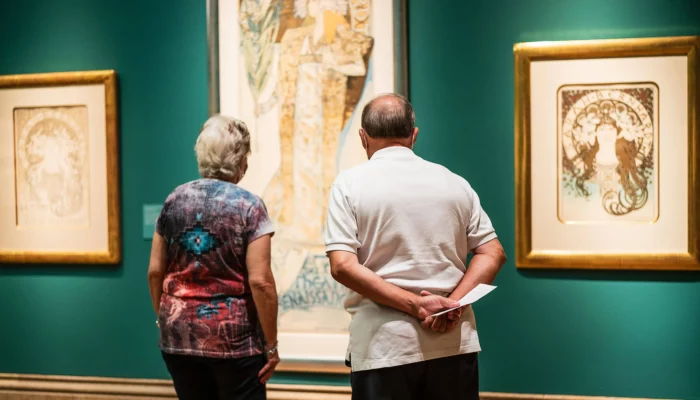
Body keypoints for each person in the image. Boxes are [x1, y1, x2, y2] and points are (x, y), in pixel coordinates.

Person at [324, 93, 507, 400]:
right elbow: (493, 253)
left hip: (384, 348)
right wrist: (453, 305)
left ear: (362, 137)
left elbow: (342, 265)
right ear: (414, 135)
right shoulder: (454, 182)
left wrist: (416, 305)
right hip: (453, 346)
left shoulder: (349, 184)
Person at [147, 115, 280, 400]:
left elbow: (155, 272)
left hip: (178, 337)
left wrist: (164, 318)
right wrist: (271, 344)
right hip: (234, 341)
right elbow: (261, 282)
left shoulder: (174, 200)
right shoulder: (249, 206)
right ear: (240, 161)